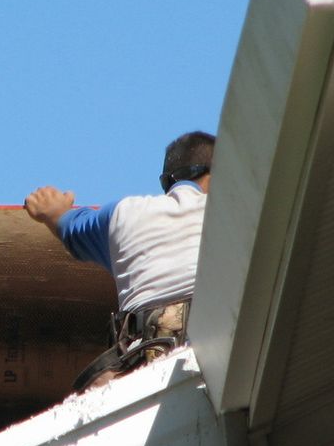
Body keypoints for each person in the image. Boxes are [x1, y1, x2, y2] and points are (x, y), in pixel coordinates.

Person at [24, 131, 215, 390]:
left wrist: (53, 209)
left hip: (143, 365)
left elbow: (67, 226)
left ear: (166, 181)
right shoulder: (236, 213)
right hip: (221, 353)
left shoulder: (123, 215)